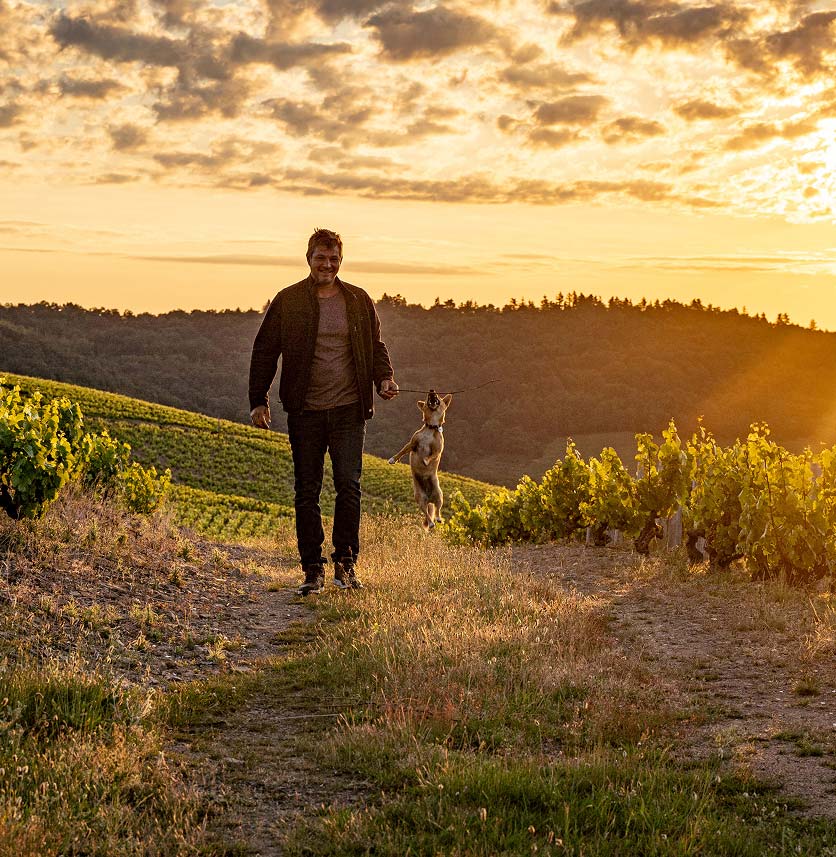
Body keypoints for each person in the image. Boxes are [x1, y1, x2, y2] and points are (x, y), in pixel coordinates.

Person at [249, 228, 398, 595]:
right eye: (320, 258)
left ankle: (345, 565)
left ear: (340, 261)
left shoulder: (358, 300)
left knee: (349, 486)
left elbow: (375, 345)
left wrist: (385, 378)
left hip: (349, 410)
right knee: (307, 490)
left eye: (333, 259)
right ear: (309, 258)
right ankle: (312, 570)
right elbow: (265, 351)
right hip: (306, 412)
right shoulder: (288, 301)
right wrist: (258, 399)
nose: (327, 264)